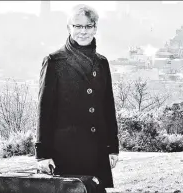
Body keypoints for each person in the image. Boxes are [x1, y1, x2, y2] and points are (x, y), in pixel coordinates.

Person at [35, 4, 119, 189]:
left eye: (88, 26)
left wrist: (112, 148)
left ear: (95, 28)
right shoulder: (54, 61)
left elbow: (108, 106)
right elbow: (45, 109)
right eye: (78, 26)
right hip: (65, 151)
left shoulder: (102, 62)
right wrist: (43, 154)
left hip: (96, 149)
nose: (83, 31)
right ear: (69, 28)